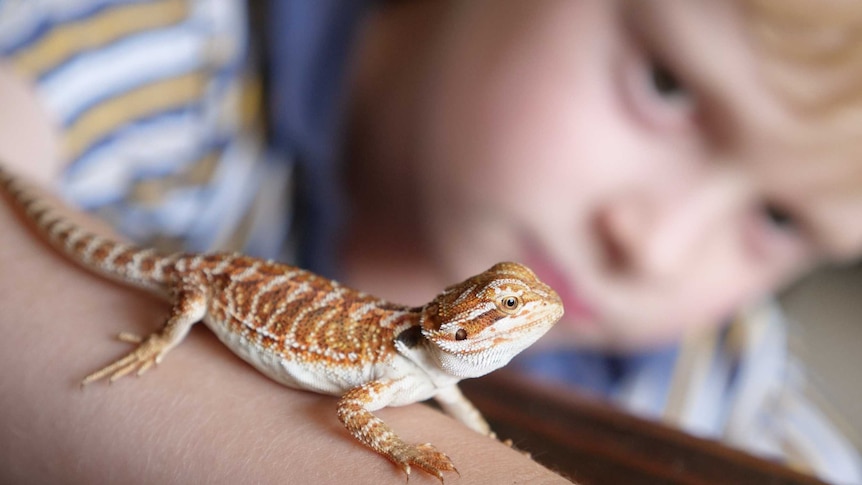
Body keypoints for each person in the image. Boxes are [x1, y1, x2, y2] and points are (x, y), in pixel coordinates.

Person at [1, 0, 860, 483]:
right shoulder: (155, 57)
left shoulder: (732, 396)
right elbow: (346, 410)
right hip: (192, 288)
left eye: (780, 221)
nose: (655, 246)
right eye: (667, 84)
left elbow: (450, 398)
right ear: (463, 323)